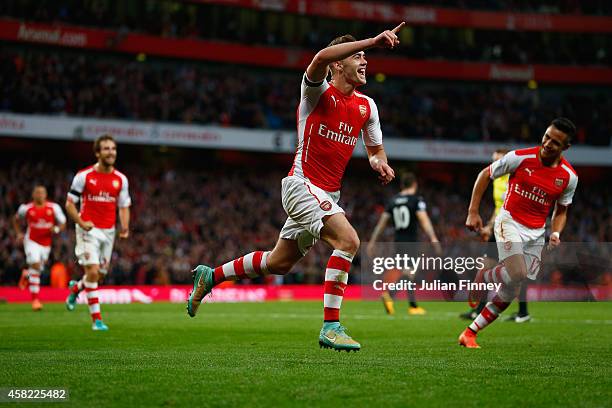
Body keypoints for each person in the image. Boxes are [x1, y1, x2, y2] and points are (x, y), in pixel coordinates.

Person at [187, 23, 406, 352]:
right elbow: (318, 58)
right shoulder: (316, 93)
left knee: (279, 263)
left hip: (328, 194)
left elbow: (375, 149)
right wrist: (373, 41)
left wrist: (379, 162)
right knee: (348, 240)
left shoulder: (367, 107)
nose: (365, 62)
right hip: (301, 184)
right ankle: (331, 326)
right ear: (338, 63)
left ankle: (211, 276)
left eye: (366, 56)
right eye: (357, 56)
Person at [459, 118, 578, 348]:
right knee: (518, 273)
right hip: (509, 221)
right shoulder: (520, 157)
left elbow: (561, 210)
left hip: (536, 233)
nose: (547, 144)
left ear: (566, 147)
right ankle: (484, 276)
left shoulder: (569, 177)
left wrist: (556, 233)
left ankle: (470, 333)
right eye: (546, 137)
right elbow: (485, 174)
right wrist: (473, 211)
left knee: (512, 288)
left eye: (555, 142)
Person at [64, 135, 131, 331]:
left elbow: (124, 205)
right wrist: (81, 222)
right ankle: (97, 320)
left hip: (109, 232)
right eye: (106, 149)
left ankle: (76, 288)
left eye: (113, 148)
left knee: (99, 275)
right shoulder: (83, 176)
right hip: (88, 230)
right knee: (92, 272)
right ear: (97, 153)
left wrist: (125, 227)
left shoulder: (121, 180)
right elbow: (69, 204)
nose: (111, 152)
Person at [460, 149, 531, 323]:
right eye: (493, 161)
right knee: (485, 267)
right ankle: (479, 309)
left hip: (514, 229)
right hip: (499, 227)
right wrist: (489, 228)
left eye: (499, 160)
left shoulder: (515, 179)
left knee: (517, 272)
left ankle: (523, 312)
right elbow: (498, 208)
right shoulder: (497, 181)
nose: (495, 164)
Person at [367, 172, 441, 315]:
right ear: (415, 184)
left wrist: (372, 241)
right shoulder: (416, 200)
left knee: (407, 272)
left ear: (402, 185)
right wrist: (433, 238)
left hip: (398, 241)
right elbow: (424, 219)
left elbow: (381, 224)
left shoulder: (393, 201)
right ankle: (394, 297)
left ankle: (410, 304)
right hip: (411, 240)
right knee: (410, 273)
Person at [13, 185, 66, 311]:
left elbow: (63, 222)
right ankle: (35, 300)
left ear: (46, 195)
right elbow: (15, 219)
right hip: (31, 241)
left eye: (42, 193)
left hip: (46, 244)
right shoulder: (26, 208)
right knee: (36, 266)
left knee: (38, 270)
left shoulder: (54, 208)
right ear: (33, 195)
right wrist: (19, 233)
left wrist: (57, 229)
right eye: (37, 193)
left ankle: (27, 274)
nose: (40, 195)